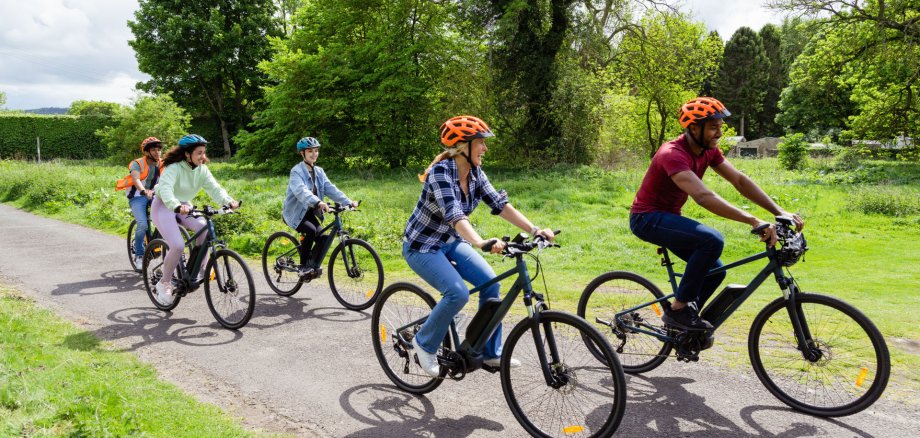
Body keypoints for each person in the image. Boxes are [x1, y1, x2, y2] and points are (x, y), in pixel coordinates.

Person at [629, 97, 803, 331]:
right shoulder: (671, 154)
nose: (719, 133)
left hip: (669, 217)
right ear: (693, 127)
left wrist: (779, 211)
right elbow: (703, 197)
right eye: (713, 127)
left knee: (714, 271)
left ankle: (684, 324)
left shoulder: (707, 151)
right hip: (646, 218)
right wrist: (752, 219)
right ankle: (678, 311)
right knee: (712, 240)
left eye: (720, 127)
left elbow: (739, 180)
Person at [403, 115, 555, 377]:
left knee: (491, 283)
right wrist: (481, 242)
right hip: (422, 246)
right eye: (481, 143)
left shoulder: (475, 173)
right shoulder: (440, 173)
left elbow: (499, 204)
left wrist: (534, 230)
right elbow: (454, 215)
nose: (485, 148)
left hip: (450, 242)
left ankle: (489, 352)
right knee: (457, 293)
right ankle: (424, 343)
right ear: (463, 146)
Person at [151, 134, 239, 305]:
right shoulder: (173, 168)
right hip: (164, 205)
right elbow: (166, 190)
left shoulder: (202, 169)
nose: (202, 157)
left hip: (184, 205)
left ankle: (198, 269)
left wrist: (228, 201)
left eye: (203, 152)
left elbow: (214, 188)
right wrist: (176, 205)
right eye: (198, 153)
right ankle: (164, 283)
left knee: (204, 228)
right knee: (177, 245)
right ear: (187, 154)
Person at [281, 136, 358, 277]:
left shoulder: (320, 172)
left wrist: (348, 202)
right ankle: (304, 267)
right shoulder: (296, 171)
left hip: (310, 212)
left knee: (323, 238)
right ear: (302, 153)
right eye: (310, 151)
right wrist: (318, 202)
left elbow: (331, 189)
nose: (314, 154)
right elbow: (301, 191)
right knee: (311, 231)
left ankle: (312, 265)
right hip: (295, 213)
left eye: (316, 151)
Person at [122, 137, 163, 269]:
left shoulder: (162, 163)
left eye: (159, 149)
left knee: (166, 217)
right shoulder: (137, 163)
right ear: (146, 152)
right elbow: (135, 179)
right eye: (153, 150)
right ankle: (139, 254)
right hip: (137, 196)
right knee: (143, 224)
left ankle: (156, 243)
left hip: (155, 195)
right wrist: (144, 190)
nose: (157, 152)